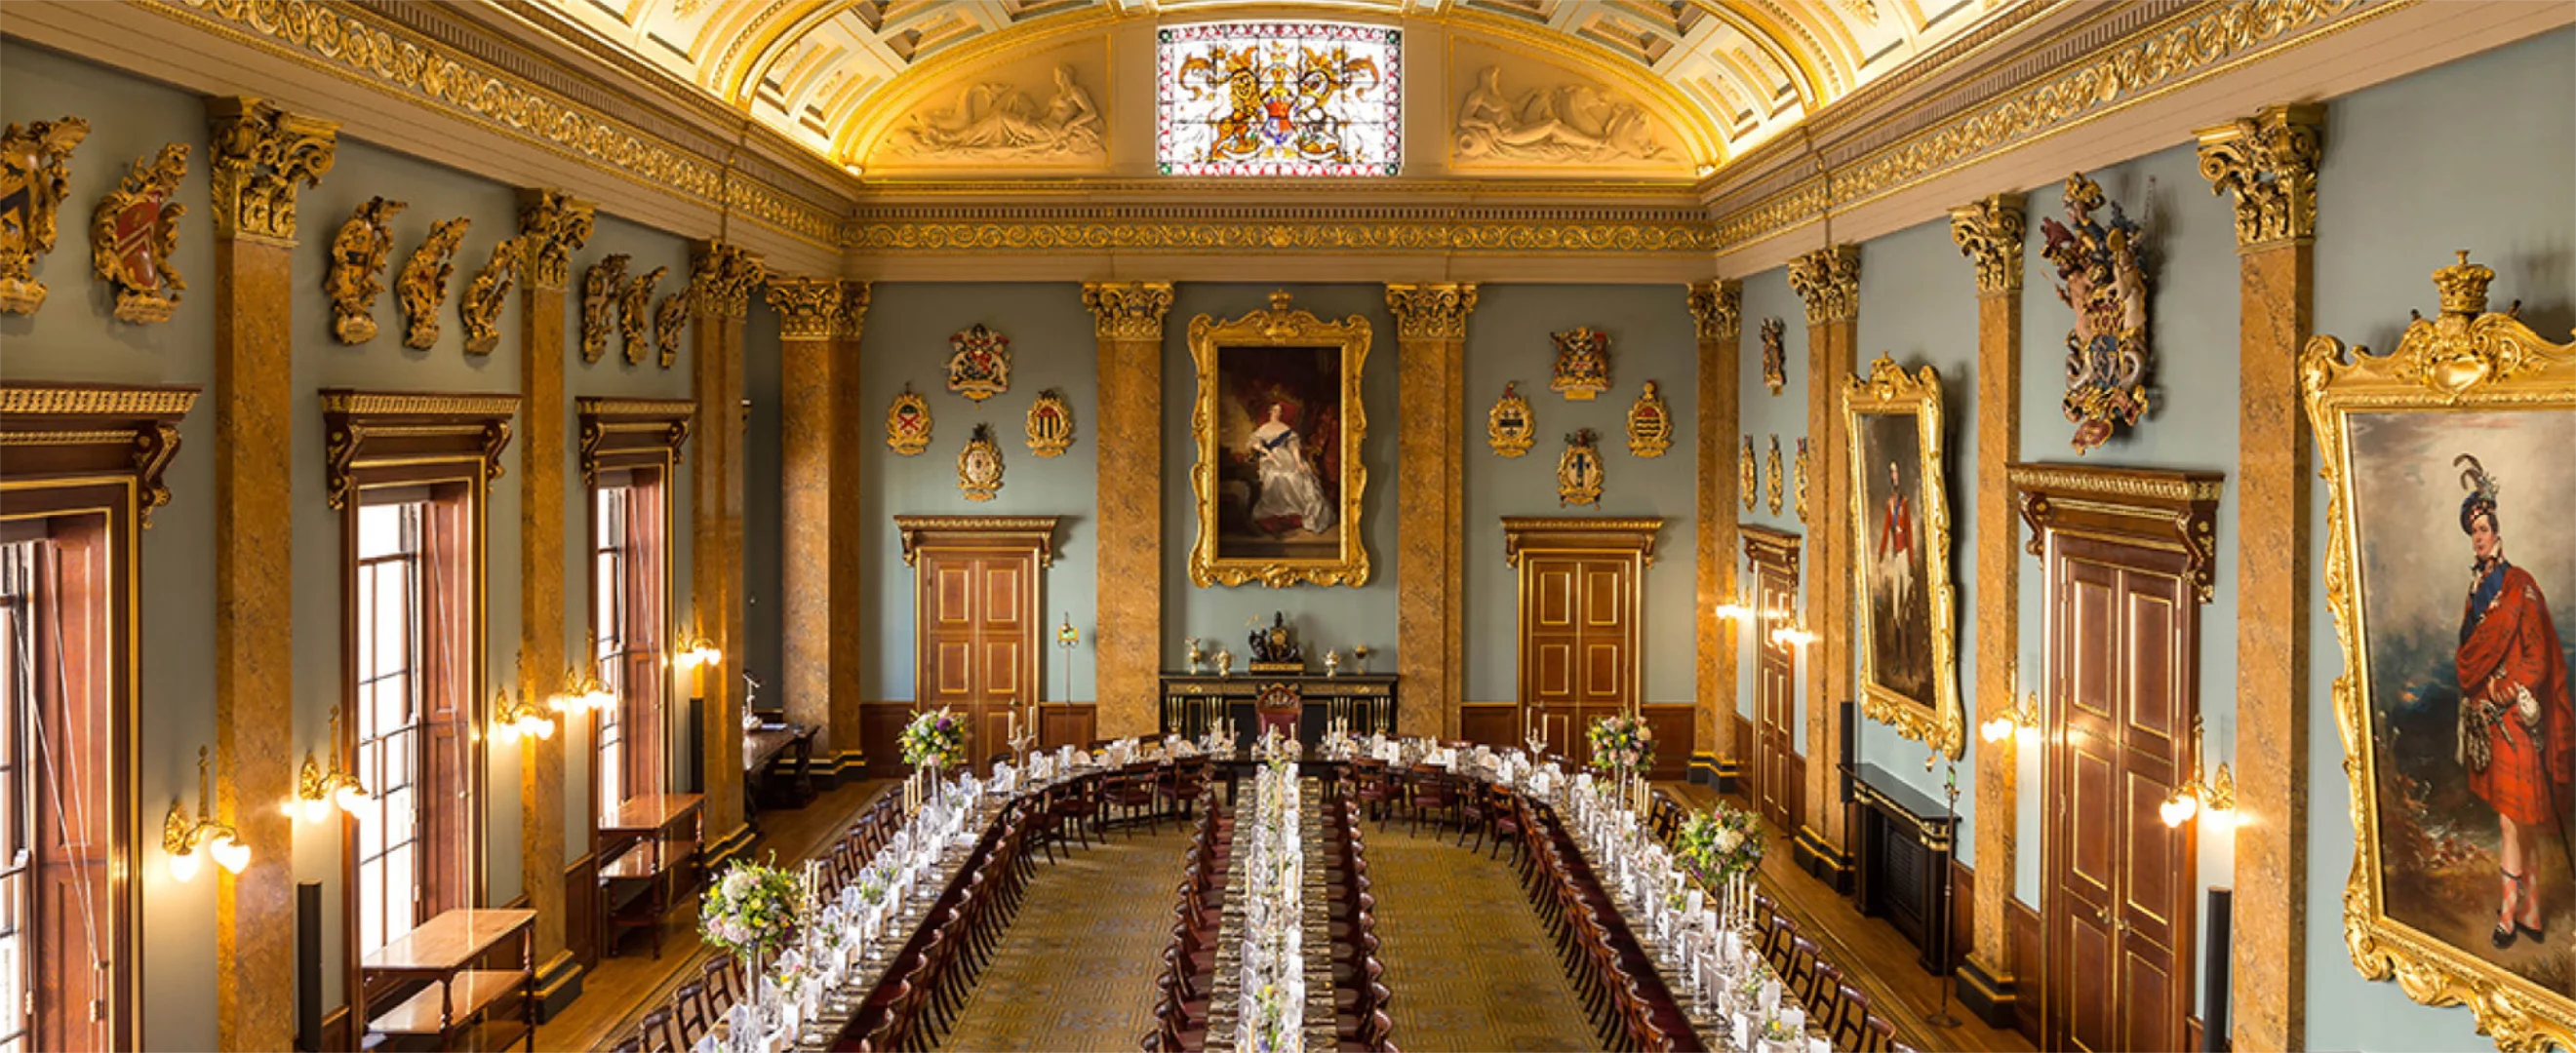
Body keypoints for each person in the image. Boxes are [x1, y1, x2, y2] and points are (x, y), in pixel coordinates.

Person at [2452, 455, 2575, 949]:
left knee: (2515, 820)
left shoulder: (2520, 587)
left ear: (2497, 532)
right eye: (2473, 531)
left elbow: (2537, 663)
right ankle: (2532, 912)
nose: (2479, 537)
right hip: (2488, 721)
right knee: (2516, 822)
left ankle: (2509, 918)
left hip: (2516, 722)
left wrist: (2499, 697)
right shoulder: (2476, 590)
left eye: (2484, 528)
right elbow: (2468, 656)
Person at [1245, 402, 1333, 534]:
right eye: (1275, 410)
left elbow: (1293, 447)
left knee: (1295, 476)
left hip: (1286, 457)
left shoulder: (1285, 429)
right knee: (1275, 477)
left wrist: (1298, 462)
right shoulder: (1264, 428)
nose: (1277, 413)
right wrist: (1266, 452)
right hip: (1270, 459)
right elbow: (1254, 443)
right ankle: (1277, 510)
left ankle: (1299, 510)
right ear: (1270, 412)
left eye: (1280, 411)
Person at [1876, 460, 1916, 624]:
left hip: (1904, 549)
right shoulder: (1890, 503)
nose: (1894, 475)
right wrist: (1881, 552)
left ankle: (1906, 617)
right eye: (1892, 472)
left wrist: (1911, 559)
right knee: (1897, 584)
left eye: (1896, 471)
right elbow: (1886, 530)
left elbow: (1909, 531)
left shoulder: (1904, 503)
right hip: (1895, 550)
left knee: (1906, 582)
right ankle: (1896, 619)